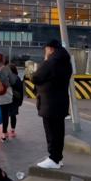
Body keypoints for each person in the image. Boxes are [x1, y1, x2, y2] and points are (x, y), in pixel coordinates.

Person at [32, 39, 72, 169]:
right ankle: (58, 157)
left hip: (49, 103)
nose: (45, 51)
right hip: (60, 102)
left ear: (51, 49)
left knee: (51, 131)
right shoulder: (66, 61)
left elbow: (35, 76)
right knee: (59, 131)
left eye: (46, 49)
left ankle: (53, 159)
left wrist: (45, 60)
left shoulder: (51, 62)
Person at [8, 64, 23, 138]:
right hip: (15, 99)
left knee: (6, 115)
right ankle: (12, 131)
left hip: (7, 98)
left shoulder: (6, 78)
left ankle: (5, 131)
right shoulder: (18, 78)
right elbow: (21, 91)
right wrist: (20, 101)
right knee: (13, 115)